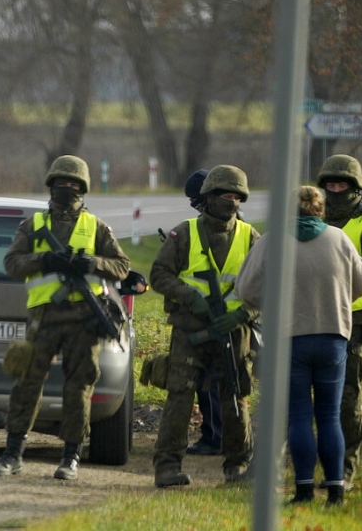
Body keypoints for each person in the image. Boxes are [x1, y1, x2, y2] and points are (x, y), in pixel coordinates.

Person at [0, 155, 130, 480]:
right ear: (51, 186)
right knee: (26, 383)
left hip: (84, 321)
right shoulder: (33, 226)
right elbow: (12, 264)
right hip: (44, 319)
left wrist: (94, 263)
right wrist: (45, 259)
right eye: (61, 183)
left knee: (79, 387)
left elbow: (121, 266)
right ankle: (13, 453)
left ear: (83, 189)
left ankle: (71, 457)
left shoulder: (97, 228)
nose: (67, 189)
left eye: (74, 184)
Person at [237, 186, 362, 506]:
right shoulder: (338, 239)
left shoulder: (272, 241)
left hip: (289, 339)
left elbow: (245, 288)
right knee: (329, 416)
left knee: (299, 415)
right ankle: (336, 490)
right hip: (333, 337)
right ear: (320, 209)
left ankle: (304, 490)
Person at [149, 164, 259, 487]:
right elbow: (159, 274)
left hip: (234, 332)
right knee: (179, 396)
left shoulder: (251, 237)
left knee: (235, 397)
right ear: (208, 197)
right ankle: (167, 466)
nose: (230, 201)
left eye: (236, 196)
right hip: (189, 331)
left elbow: (271, 284)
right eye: (224, 195)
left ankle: (237, 466)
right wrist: (188, 297)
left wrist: (243, 315)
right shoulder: (184, 233)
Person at [316, 154, 362, 491]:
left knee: (347, 397)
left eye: (342, 184)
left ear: (355, 187)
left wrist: (340, 278)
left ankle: (345, 469)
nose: (336, 189)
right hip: (319, 315)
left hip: (356, 320)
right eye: (330, 184)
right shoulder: (316, 218)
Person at [183, 168, 223, 457]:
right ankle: (213, 434)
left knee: (217, 384)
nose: (194, 207)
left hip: (223, 320)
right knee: (207, 383)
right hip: (202, 318)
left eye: (196, 200)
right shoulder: (199, 227)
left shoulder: (228, 227)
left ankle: (217, 437)